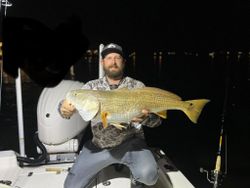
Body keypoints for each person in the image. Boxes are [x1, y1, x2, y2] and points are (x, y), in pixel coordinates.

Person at [59, 43, 162, 188]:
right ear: (102, 62)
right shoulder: (91, 87)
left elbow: (156, 122)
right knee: (71, 186)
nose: (113, 61)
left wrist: (145, 118)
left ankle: (136, 176)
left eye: (117, 58)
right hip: (99, 146)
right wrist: (63, 108)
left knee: (149, 177)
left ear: (123, 62)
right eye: (108, 58)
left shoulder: (136, 87)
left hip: (132, 145)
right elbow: (70, 106)